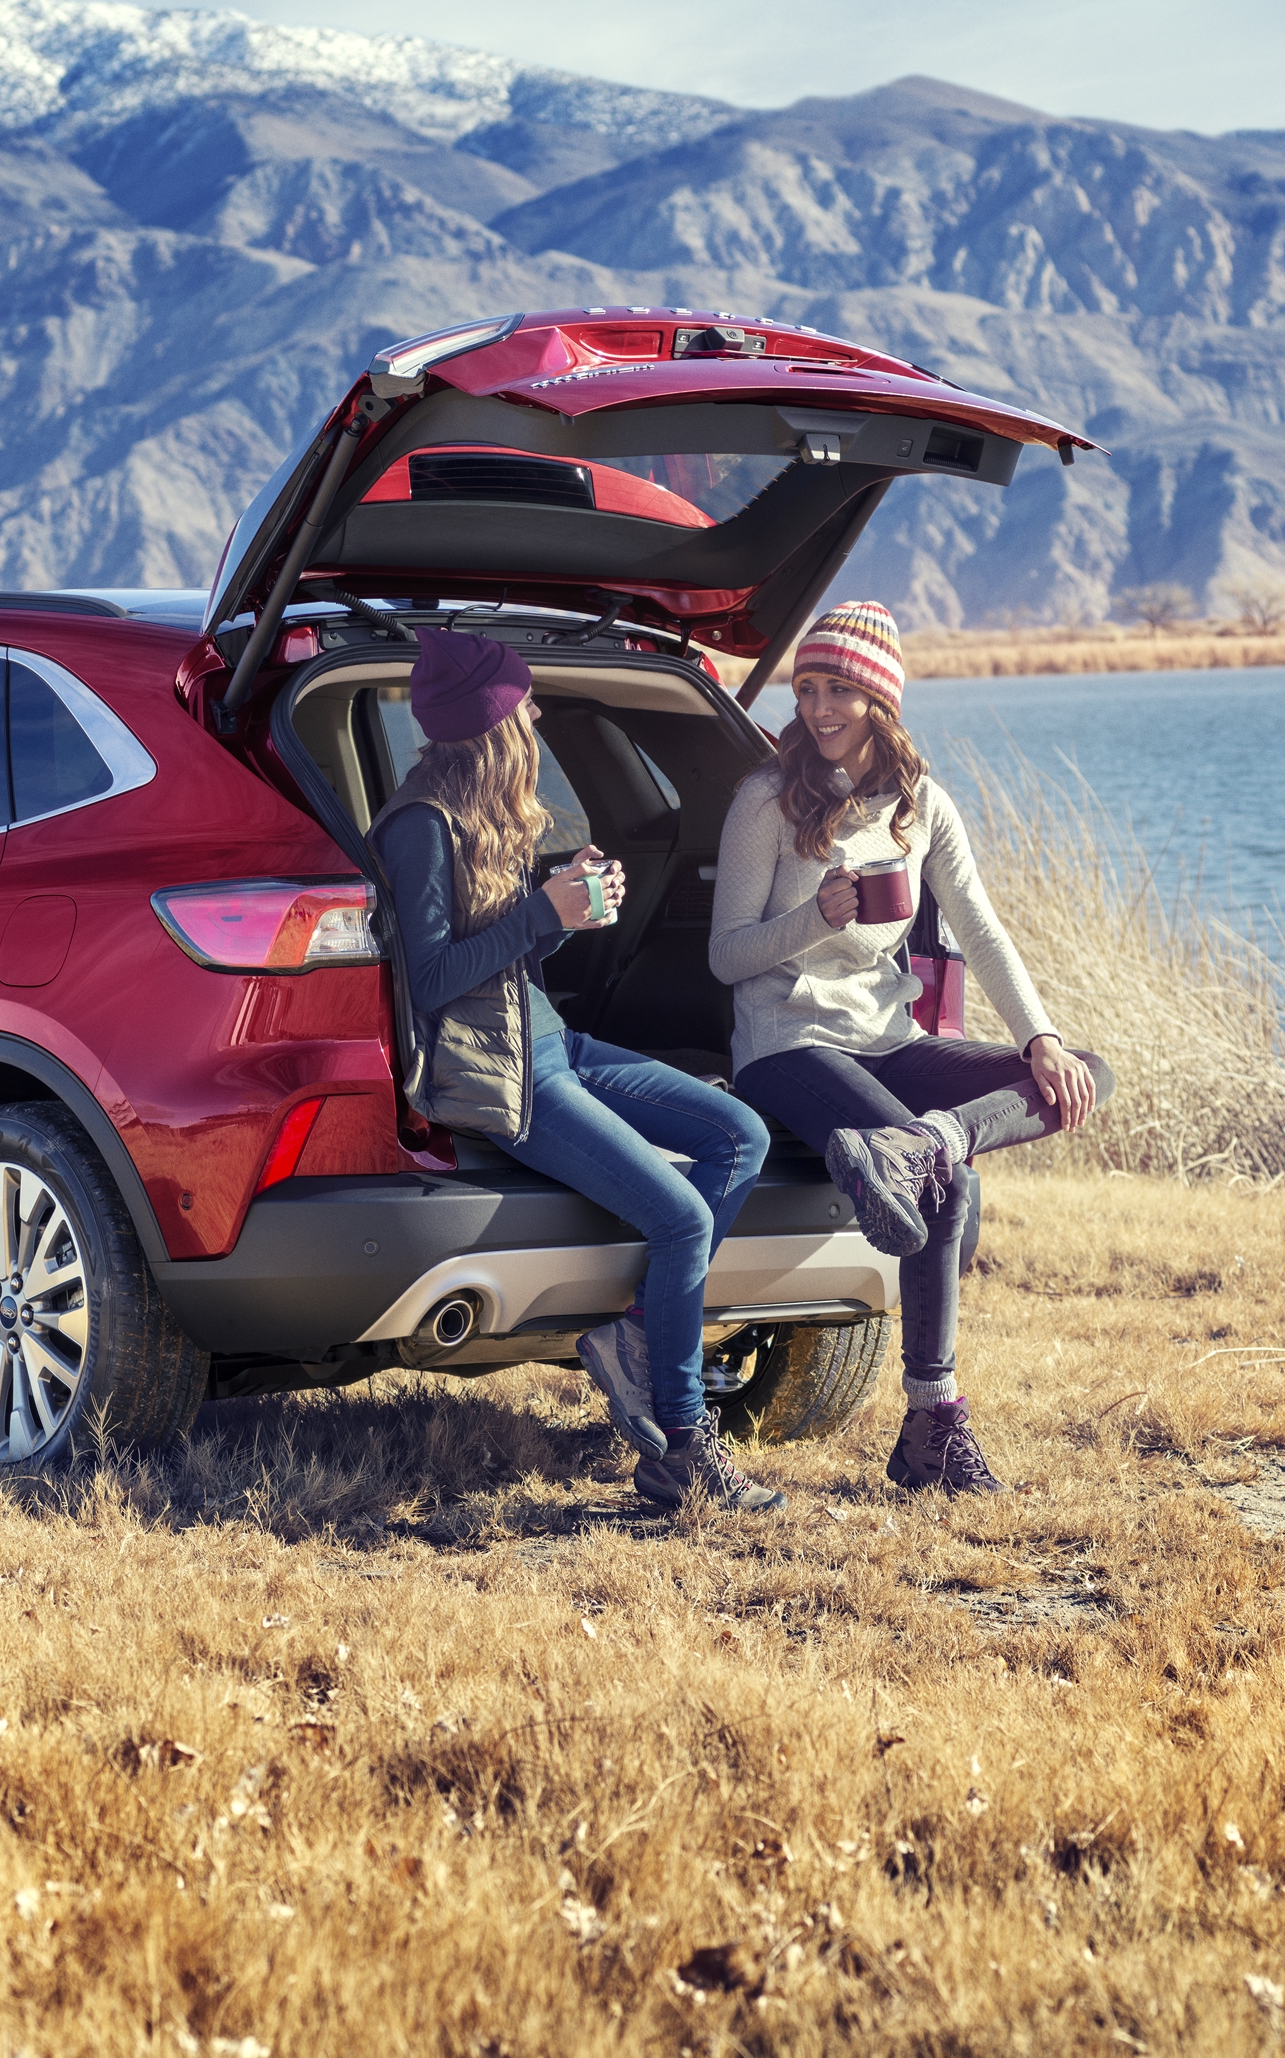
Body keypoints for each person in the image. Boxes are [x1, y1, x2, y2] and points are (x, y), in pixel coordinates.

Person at [373, 630, 783, 1513]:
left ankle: (636, 1331)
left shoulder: (489, 815)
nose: (536, 713)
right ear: (494, 723)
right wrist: (540, 912)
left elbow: (512, 958)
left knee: (739, 1133)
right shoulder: (420, 827)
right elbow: (432, 980)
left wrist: (568, 910)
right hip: (507, 1077)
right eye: (525, 702)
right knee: (677, 1219)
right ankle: (680, 1446)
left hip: (554, 1041)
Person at [712, 601, 1107, 1495]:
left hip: (887, 1039)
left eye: (840, 689)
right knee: (948, 1182)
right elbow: (726, 954)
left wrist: (1040, 1036)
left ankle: (927, 1138)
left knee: (1084, 1071)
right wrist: (815, 918)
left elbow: (982, 926)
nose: (818, 708)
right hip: (787, 1043)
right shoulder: (765, 800)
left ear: (880, 700)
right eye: (809, 687)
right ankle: (935, 1425)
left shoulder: (921, 804)